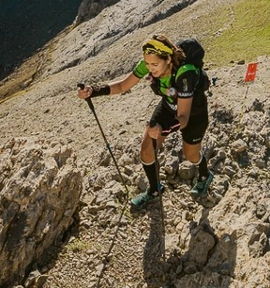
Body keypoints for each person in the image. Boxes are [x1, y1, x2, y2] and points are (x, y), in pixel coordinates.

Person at [78, 35, 212, 208]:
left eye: (154, 64)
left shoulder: (185, 74)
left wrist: (163, 129)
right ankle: (155, 189)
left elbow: (184, 118)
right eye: (147, 64)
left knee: (191, 155)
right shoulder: (148, 65)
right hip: (169, 106)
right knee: (146, 149)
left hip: (194, 113)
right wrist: (94, 91)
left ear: (168, 59)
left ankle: (204, 174)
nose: (150, 68)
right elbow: (122, 86)